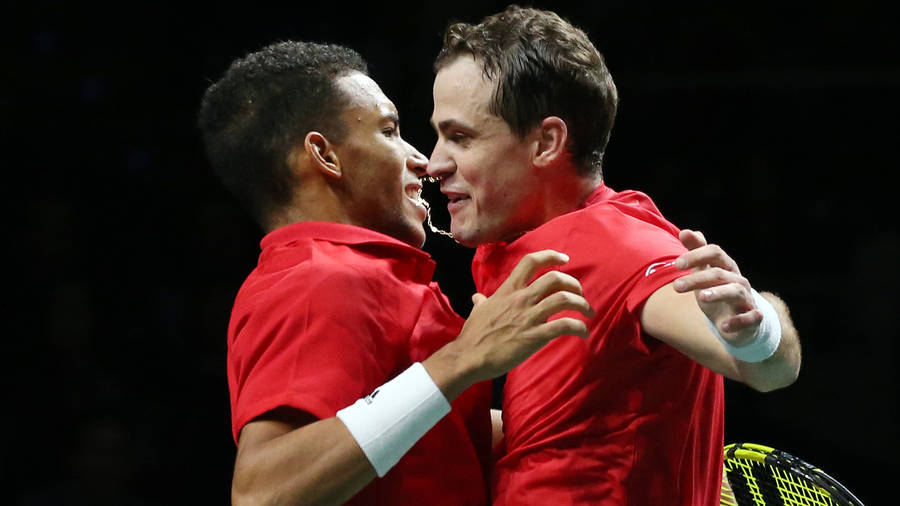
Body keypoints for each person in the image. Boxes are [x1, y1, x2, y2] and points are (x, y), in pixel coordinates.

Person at [426, 5, 802, 505]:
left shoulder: (618, 247)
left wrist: (753, 328)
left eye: (460, 137)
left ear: (546, 142)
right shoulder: (530, 246)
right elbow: (568, 435)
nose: (433, 163)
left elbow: (768, 369)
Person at [196, 40, 595, 505]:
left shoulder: (357, 276)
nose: (422, 160)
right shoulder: (317, 279)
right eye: (390, 131)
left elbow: (435, 446)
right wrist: (461, 360)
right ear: (325, 156)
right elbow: (264, 493)